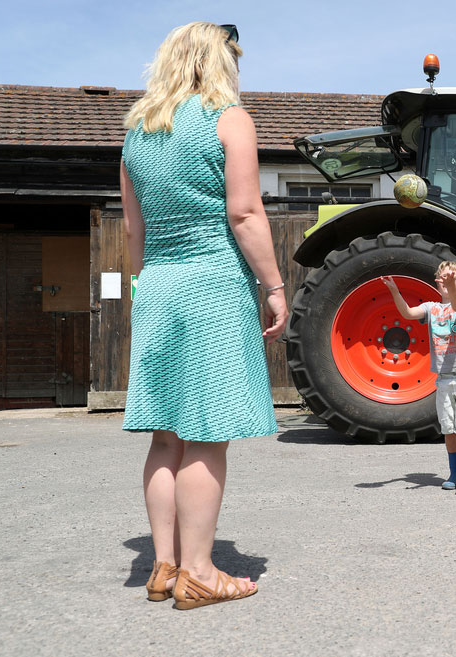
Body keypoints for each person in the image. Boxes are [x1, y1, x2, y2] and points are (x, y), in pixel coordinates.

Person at [120, 22, 287, 610]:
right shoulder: (229, 119)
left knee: (167, 436)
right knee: (206, 435)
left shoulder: (137, 134)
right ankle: (199, 572)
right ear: (219, 62)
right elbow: (243, 213)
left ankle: (164, 567)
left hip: (159, 287)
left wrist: (148, 289)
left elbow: (134, 232)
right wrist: (274, 285)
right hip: (213, 283)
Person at [381, 262, 456, 494]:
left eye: (451, 277)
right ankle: (455, 472)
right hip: (444, 379)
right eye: (441, 277)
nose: (444, 280)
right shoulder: (431, 308)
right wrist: (394, 290)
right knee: (448, 429)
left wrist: (452, 289)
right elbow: (407, 313)